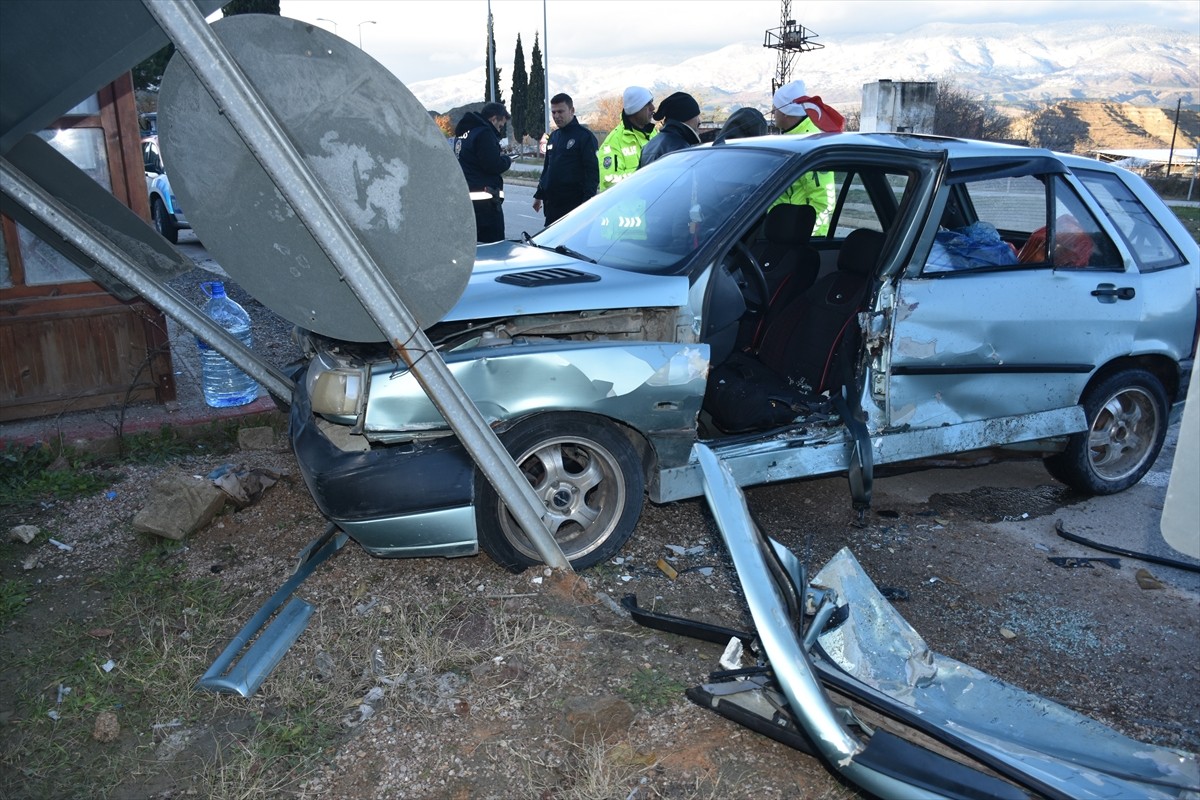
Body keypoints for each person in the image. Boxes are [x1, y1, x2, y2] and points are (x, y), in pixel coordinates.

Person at [769, 79, 845, 235]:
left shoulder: (811, 144)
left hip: (802, 237)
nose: (772, 112)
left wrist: (806, 236)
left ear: (785, 112)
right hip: (782, 232)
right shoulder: (790, 139)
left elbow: (824, 201)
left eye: (775, 108)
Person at [533, 93, 599, 225]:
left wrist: (586, 205)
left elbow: (592, 174)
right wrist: (539, 194)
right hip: (552, 207)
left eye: (560, 111)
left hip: (574, 208)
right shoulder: (553, 137)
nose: (556, 116)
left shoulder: (584, 137)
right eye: (554, 112)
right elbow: (548, 168)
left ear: (571, 110)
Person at [454, 102, 512, 242]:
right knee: (492, 247)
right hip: (485, 206)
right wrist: (507, 160)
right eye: (500, 126)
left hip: (466, 201)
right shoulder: (484, 133)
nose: (500, 130)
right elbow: (492, 164)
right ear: (494, 119)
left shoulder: (463, 134)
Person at [597, 86, 656, 191]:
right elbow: (609, 181)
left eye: (651, 102)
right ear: (635, 109)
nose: (653, 108)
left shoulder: (653, 133)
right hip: (632, 201)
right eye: (647, 104)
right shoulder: (613, 143)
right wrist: (647, 174)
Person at [637, 91, 702, 168]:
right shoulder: (681, 149)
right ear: (686, 117)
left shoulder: (649, 145)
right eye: (696, 115)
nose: (699, 121)